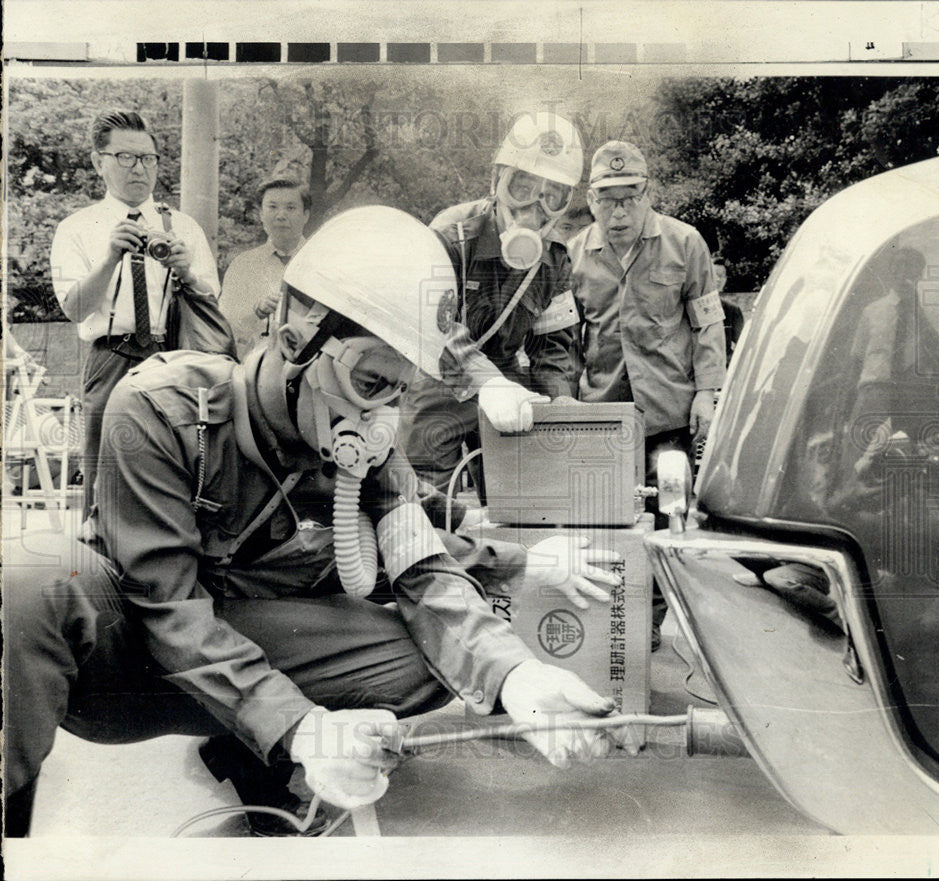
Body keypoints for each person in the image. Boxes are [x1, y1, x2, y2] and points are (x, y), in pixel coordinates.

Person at [4, 206, 633, 838]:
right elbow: (167, 610)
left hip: (245, 647)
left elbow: (425, 573)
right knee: (31, 577)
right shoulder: (162, 410)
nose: (382, 413)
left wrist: (516, 676)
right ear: (296, 344)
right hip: (124, 666)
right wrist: (303, 725)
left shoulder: (368, 457)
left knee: (425, 658)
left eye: (399, 391)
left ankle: (260, 750)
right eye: (370, 381)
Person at [569, 141, 727, 650]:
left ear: (648, 194)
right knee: (604, 523)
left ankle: (648, 626)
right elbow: (565, 343)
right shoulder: (573, 255)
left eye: (629, 197)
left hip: (669, 415)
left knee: (666, 522)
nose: (618, 211)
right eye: (606, 198)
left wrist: (708, 393)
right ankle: (610, 620)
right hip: (602, 418)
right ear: (590, 199)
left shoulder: (686, 243)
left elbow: (707, 324)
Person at [397, 112, 584, 528]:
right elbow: (435, 324)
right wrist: (488, 384)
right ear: (498, 180)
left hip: (507, 390)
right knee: (429, 511)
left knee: (516, 510)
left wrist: (559, 404)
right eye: (523, 187)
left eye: (552, 195)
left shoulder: (553, 258)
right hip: (437, 382)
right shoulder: (450, 234)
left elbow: (553, 346)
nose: (535, 205)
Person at [49, 109, 220, 515]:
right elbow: (73, 308)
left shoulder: (182, 226)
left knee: (178, 463)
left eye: (148, 158)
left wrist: (185, 270)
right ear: (98, 161)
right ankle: (102, 553)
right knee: (104, 467)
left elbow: (212, 298)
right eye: (125, 157)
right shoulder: (77, 227)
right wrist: (109, 258)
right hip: (111, 357)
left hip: (171, 356)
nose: (139, 169)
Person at [220, 178, 311, 359]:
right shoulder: (243, 265)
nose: (281, 215)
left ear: (306, 215)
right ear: (261, 214)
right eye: (272, 207)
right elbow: (223, 326)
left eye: (290, 208)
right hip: (255, 366)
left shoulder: (320, 262)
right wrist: (257, 311)